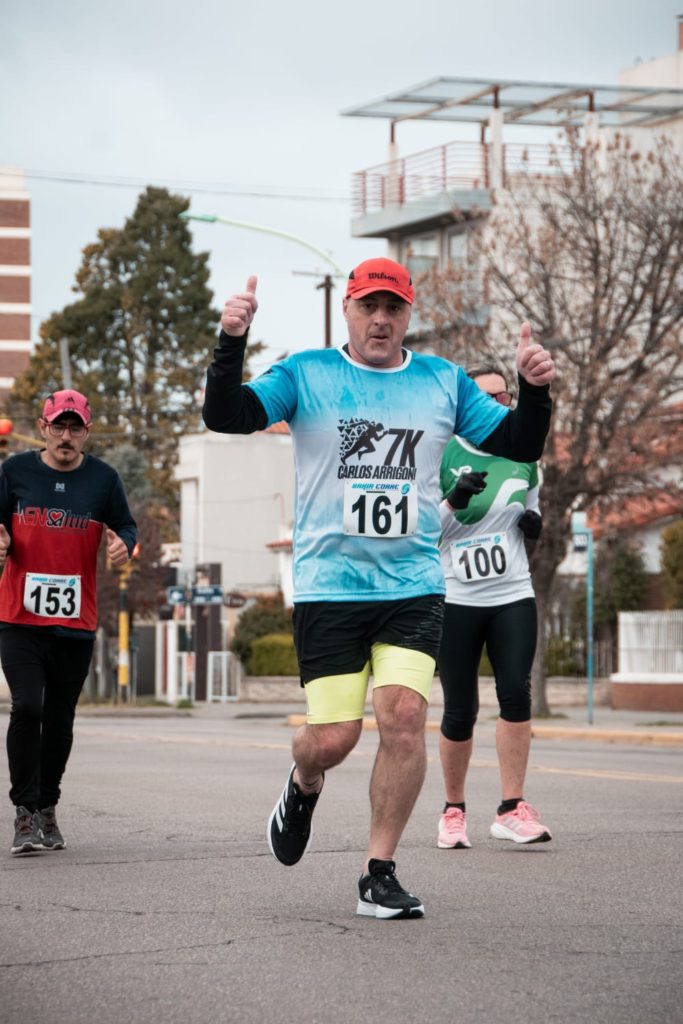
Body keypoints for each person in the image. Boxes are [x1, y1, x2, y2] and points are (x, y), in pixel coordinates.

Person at [203, 258, 555, 919]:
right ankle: (302, 783)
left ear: (407, 315)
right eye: (368, 306)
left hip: (413, 583)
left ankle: (378, 871)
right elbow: (228, 415)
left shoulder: (440, 381)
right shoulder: (307, 374)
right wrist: (230, 343)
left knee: (401, 720)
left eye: (392, 307)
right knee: (331, 740)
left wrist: (533, 390)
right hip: (329, 586)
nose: (380, 319)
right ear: (349, 310)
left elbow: (515, 440)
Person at [0, 389, 137, 855]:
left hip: (76, 622)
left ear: (86, 432)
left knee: (59, 718)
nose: (65, 435)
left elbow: (128, 526)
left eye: (75, 427)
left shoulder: (103, 479)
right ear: (42, 427)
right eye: (57, 426)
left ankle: (47, 809)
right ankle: (23, 813)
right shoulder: (14, 472)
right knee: (28, 707)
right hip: (18, 616)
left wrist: (124, 544)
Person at [436, 364, 551, 850]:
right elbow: (423, 533)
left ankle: (511, 808)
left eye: (504, 395)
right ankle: (453, 811)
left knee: (515, 694)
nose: (498, 402)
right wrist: (451, 500)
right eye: (486, 396)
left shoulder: (526, 457)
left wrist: (533, 526)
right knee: (460, 709)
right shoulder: (443, 453)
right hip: (456, 598)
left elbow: (534, 508)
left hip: (512, 593)